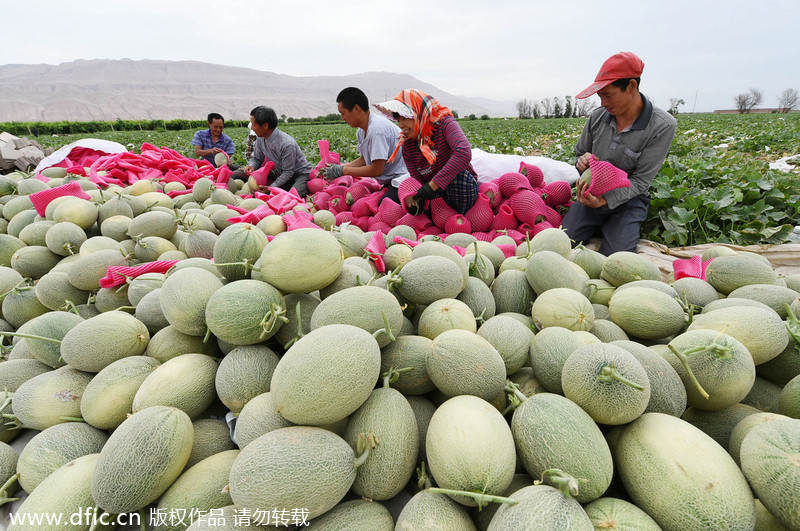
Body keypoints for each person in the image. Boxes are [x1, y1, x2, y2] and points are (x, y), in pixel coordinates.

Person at [562, 51, 677, 255]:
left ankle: (613, 227)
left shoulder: (662, 125)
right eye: (600, 96)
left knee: (617, 257)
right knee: (562, 241)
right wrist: (582, 161)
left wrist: (605, 201)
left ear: (631, 86)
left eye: (608, 95)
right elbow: (580, 153)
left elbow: (641, 182)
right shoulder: (598, 117)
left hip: (629, 201)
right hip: (591, 195)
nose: (603, 103)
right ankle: (595, 223)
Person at [373, 89, 478, 215]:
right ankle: (441, 219)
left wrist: (433, 185)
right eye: (398, 119)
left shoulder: (445, 124)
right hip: (435, 193)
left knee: (461, 180)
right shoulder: (407, 145)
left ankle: (457, 218)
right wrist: (417, 197)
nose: (400, 125)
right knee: (396, 200)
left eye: (404, 118)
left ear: (419, 114)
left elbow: (464, 152)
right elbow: (417, 180)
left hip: (459, 188)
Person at [320, 87, 409, 204]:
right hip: (390, 180)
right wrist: (340, 167)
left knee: (384, 204)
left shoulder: (377, 129)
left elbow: (377, 169)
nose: (342, 118)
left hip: (403, 178)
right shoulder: (362, 131)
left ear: (356, 108)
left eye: (343, 113)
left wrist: (343, 170)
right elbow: (365, 159)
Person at [234, 106, 312, 197]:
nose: (251, 128)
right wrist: (251, 166)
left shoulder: (286, 144)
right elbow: (257, 158)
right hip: (284, 174)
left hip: (301, 174)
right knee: (269, 192)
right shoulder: (260, 138)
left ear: (265, 126)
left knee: (293, 196)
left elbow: (288, 172)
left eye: (253, 124)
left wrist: (271, 187)